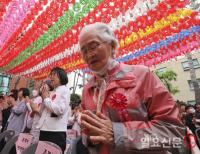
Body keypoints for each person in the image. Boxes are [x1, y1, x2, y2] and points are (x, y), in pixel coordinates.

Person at [79, 22, 185, 154]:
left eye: (94, 46)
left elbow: (173, 133)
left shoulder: (142, 75)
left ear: (112, 45)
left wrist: (118, 133)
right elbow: (85, 133)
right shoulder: (87, 89)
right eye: (83, 51)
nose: (89, 55)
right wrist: (90, 138)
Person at [34, 67, 71, 153]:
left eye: (54, 74)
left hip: (55, 132)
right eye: (51, 75)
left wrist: (46, 99)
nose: (51, 77)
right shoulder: (53, 91)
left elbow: (60, 110)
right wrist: (44, 97)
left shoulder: (65, 90)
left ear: (61, 76)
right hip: (45, 129)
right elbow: (44, 111)